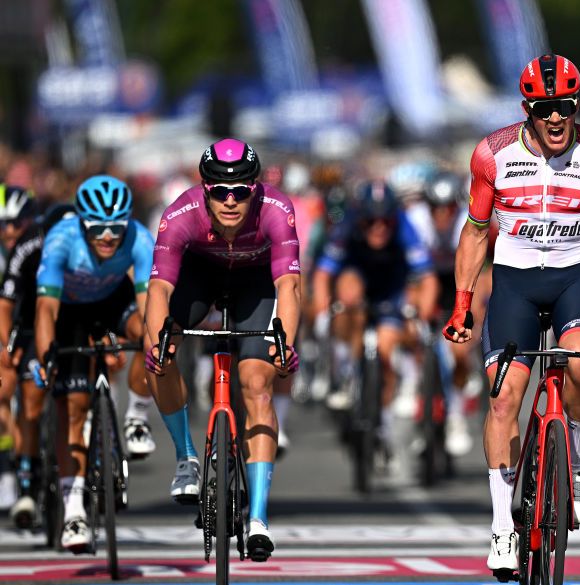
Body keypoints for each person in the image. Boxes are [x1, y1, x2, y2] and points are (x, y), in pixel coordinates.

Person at [443, 54, 580, 575]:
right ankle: (501, 527)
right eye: (544, 108)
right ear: (527, 107)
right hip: (515, 285)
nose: (556, 118)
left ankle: (575, 461)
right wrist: (462, 302)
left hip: (575, 280)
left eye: (566, 107)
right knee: (505, 394)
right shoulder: (492, 153)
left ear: (577, 105)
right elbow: (476, 232)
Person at [145, 139, 300, 562]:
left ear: (256, 188)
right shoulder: (180, 213)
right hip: (200, 278)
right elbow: (159, 289)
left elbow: (288, 285)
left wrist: (285, 341)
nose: (230, 201)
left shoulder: (277, 210)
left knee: (258, 386)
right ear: (204, 189)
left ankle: (260, 519)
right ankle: (186, 457)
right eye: (219, 191)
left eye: (240, 191)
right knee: (160, 349)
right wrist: (157, 342)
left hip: (256, 286)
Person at [34, 176, 156, 552]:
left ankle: (137, 416)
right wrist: (46, 356)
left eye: (116, 228)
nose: (108, 236)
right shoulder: (60, 240)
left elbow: (150, 303)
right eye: (97, 228)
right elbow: (45, 309)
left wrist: (153, 345)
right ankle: (74, 512)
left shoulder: (139, 238)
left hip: (113, 302)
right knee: (71, 406)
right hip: (69, 312)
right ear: (81, 222)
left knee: (153, 336)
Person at [311, 180, 439, 429]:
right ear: (360, 218)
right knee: (347, 292)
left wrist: (419, 319)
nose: (379, 228)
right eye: (370, 221)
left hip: (391, 288)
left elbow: (428, 278)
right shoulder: (347, 224)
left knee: (385, 350)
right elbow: (322, 275)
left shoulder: (404, 225)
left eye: (386, 222)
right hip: (358, 283)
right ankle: (345, 370)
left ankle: (383, 426)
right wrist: (321, 314)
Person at [1, 200, 75, 527]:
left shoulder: (90, 245)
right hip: (33, 322)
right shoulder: (29, 244)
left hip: (75, 321)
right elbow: (5, 303)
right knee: (31, 401)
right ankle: (27, 487)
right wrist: (5, 346)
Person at [422, 171, 484, 457]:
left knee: (458, 352)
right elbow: (415, 274)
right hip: (428, 279)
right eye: (435, 208)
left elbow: (485, 269)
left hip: (462, 282)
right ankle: (412, 382)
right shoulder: (417, 222)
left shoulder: (467, 220)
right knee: (416, 323)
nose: (441, 215)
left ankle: (456, 416)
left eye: (448, 209)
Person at [0, 186, 41, 516]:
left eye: (16, 224)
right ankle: (14, 468)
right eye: (3, 225)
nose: (9, 232)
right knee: (6, 386)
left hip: (37, 321)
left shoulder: (37, 246)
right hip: (10, 328)